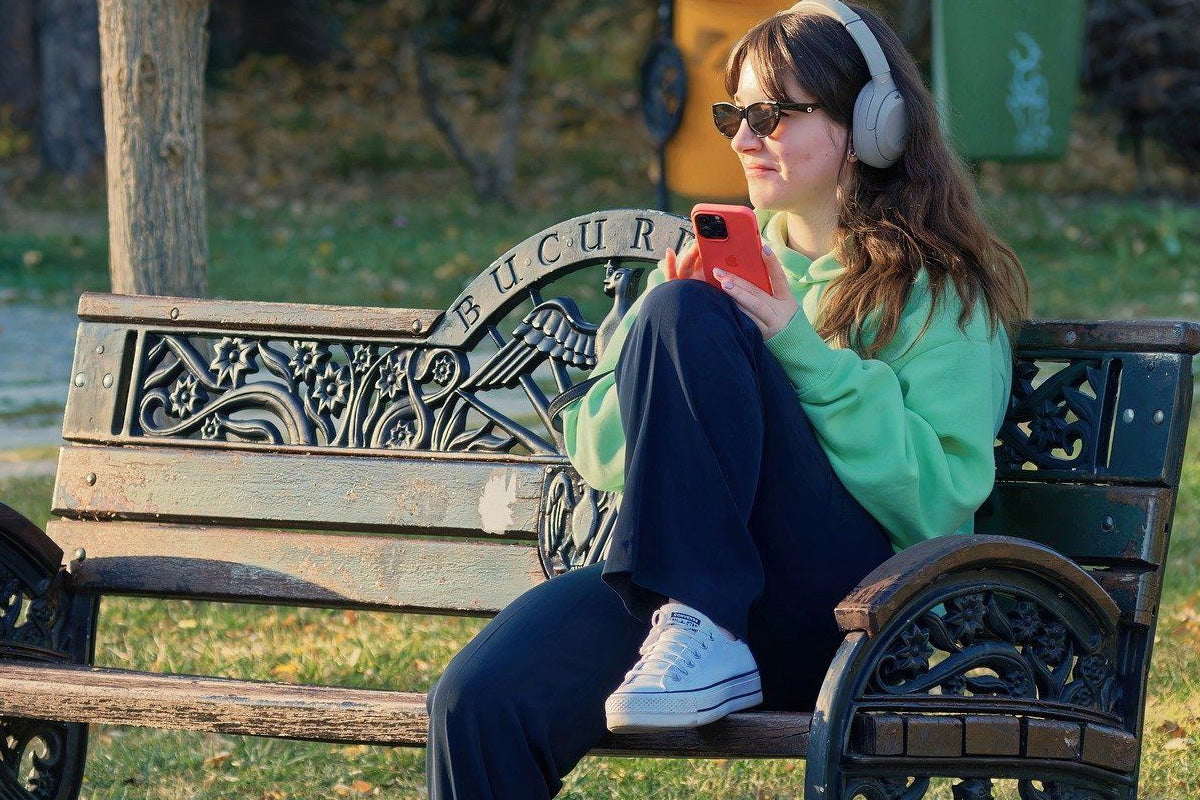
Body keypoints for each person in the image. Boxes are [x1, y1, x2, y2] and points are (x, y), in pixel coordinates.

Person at [425, 1, 1029, 796]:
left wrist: (797, 347)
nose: (743, 139)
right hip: (681, 620)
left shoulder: (941, 295)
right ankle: (700, 618)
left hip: (855, 620)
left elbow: (936, 502)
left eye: (772, 115)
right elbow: (604, 459)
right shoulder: (707, 278)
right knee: (479, 699)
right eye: (734, 114)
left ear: (871, 125)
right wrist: (653, 344)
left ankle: (705, 619)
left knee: (690, 316)